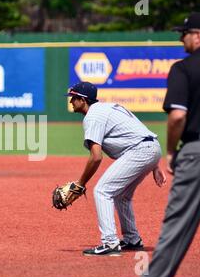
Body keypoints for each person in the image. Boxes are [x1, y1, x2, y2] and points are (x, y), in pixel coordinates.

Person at [138, 12, 200, 277]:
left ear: (198, 36)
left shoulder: (184, 68)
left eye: (183, 34)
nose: (181, 39)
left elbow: (177, 117)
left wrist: (171, 151)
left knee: (177, 227)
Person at [66, 81, 166, 256]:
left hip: (140, 151)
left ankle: (110, 243)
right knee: (121, 195)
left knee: (102, 191)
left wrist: (80, 183)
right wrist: (154, 163)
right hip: (150, 148)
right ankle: (132, 239)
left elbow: (96, 156)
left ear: (83, 100)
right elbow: (139, 132)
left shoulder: (93, 116)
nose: (71, 102)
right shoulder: (108, 107)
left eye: (73, 98)